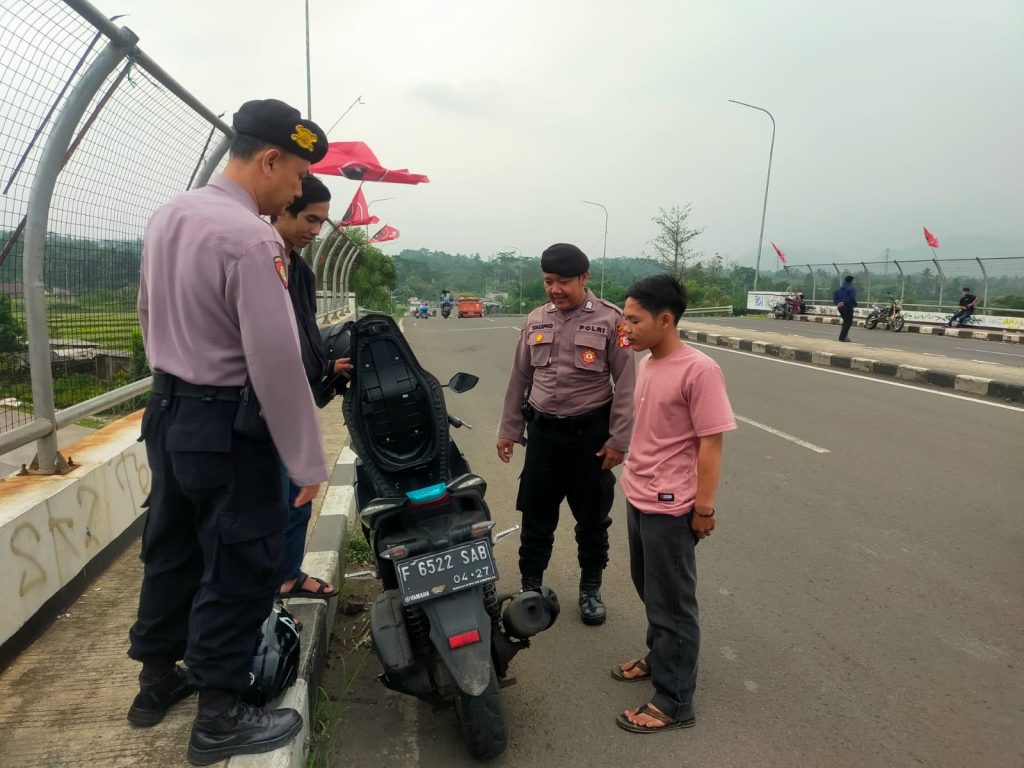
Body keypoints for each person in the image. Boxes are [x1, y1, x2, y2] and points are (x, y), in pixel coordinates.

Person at [128, 99, 329, 766]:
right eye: (298, 174)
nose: (298, 189)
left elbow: (147, 311)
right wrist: (307, 461)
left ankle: (156, 680)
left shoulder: (170, 214)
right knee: (240, 562)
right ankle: (218, 718)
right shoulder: (251, 237)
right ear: (269, 160)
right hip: (227, 426)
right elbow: (275, 361)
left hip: (167, 414)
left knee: (173, 545)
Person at [612, 274, 735, 734]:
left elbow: (711, 444)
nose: (626, 327)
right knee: (648, 588)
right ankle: (660, 656)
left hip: (671, 506)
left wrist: (703, 508)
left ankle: (675, 700)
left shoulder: (699, 370)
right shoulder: (648, 363)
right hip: (638, 495)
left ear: (666, 320)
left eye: (634, 319)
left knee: (674, 605)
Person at [496, 243, 636, 625]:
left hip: (590, 439)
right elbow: (519, 377)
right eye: (548, 282)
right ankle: (531, 587)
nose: (555, 290)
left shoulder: (615, 322)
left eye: (563, 282)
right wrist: (509, 429)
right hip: (543, 437)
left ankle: (591, 589)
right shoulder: (535, 319)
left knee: (592, 520)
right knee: (536, 517)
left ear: (584, 278)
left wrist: (618, 440)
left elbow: (626, 382)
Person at [271, 175, 353, 613]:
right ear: (282, 206)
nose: (315, 231)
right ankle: (268, 592)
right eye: (309, 219)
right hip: (263, 405)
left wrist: (325, 365)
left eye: (322, 222)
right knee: (277, 498)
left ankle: (286, 575)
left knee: (299, 495)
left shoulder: (300, 269)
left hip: (295, 401)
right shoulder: (258, 261)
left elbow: (302, 333)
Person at [833, 275, 857, 342]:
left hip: (840, 308)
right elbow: (852, 298)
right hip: (848, 307)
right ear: (851, 280)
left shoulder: (839, 289)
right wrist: (854, 304)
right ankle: (842, 337)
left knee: (845, 321)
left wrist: (838, 303)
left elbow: (835, 296)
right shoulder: (851, 288)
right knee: (848, 322)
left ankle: (845, 336)